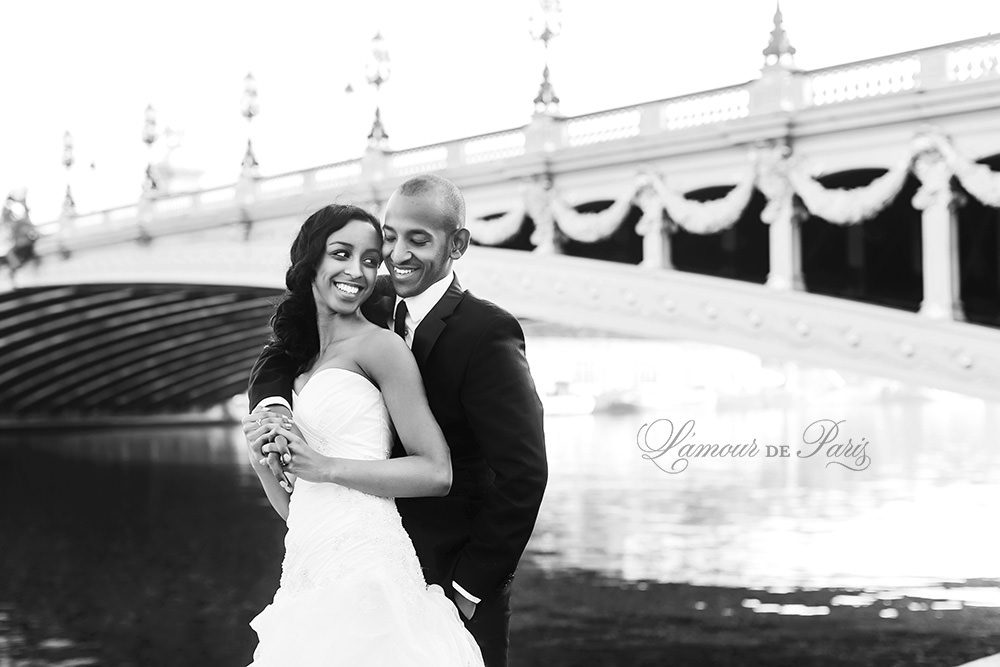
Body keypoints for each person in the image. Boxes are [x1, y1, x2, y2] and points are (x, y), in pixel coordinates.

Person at [248, 174, 548, 667]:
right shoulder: (371, 297)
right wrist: (272, 411)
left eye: (419, 240)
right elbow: (282, 353)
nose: (397, 254)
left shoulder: (486, 331)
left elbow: (525, 473)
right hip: (350, 554)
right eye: (389, 237)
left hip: (452, 576)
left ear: (458, 244)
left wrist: (469, 587)